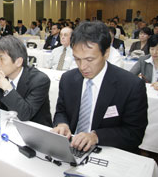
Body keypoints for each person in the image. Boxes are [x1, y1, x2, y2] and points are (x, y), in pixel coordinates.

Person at [52, 21, 148, 153]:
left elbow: (134, 133)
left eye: (90, 60)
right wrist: (62, 124)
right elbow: (61, 111)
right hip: (71, 148)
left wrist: (96, 136)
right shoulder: (68, 79)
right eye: (77, 59)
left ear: (106, 53)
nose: (82, 67)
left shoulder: (131, 85)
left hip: (109, 151)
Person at [0, 35, 52, 127]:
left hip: (35, 131)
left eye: (1, 59)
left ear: (18, 62)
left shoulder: (40, 80)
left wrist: (6, 87)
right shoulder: (3, 76)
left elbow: (25, 115)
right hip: (7, 126)